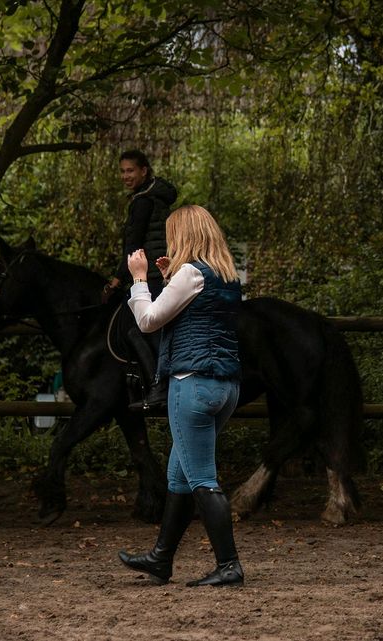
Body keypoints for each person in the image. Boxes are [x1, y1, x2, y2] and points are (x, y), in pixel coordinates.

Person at [117, 205, 245, 587]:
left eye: (174, 233)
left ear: (184, 235)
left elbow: (148, 320)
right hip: (226, 386)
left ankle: (229, 565)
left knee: (202, 479)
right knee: (180, 475)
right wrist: (167, 278)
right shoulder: (226, 275)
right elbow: (195, 314)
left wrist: (139, 280)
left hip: (192, 385)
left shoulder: (190, 273)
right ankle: (161, 558)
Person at [101, 149, 178, 411]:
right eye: (122, 171)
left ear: (144, 171)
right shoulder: (152, 196)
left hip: (151, 273)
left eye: (130, 170)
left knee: (137, 329)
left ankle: (159, 385)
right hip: (156, 270)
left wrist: (117, 279)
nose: (126, 176)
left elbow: (134, 245)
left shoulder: (143, 201)